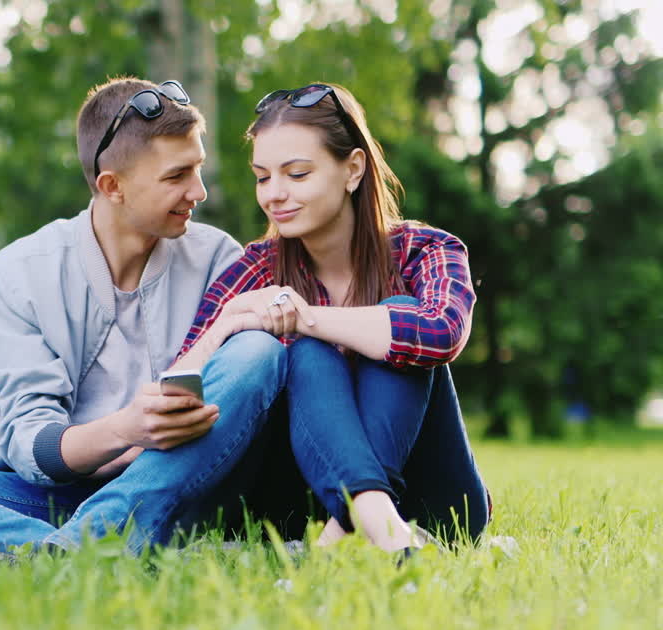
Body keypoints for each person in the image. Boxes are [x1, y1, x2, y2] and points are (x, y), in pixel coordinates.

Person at [0, 77, 289, 555]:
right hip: (48, 497)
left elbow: (237, 391)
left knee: (257, 350)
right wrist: (123, 430)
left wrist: (224, 331)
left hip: (173, 487)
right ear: (113, 186)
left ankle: (68, 549)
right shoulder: (16, 275)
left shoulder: (218, 255)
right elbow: (31, 445)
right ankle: (95, 547)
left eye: (197, 169)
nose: (199, 191)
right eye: (176, 177)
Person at [173, 83, 491, 553]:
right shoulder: (256, 269)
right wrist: (226, 327)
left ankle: (344, 535)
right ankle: (378, 530)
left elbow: (440, 332)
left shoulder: (425, 250)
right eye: (262, 177)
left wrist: (307, 319)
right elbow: (181, 388)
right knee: (307, 354)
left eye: (297, 174)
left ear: (353, 169)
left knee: (398, 317)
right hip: (294, 505)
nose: (275, 195)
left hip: (433, 503)